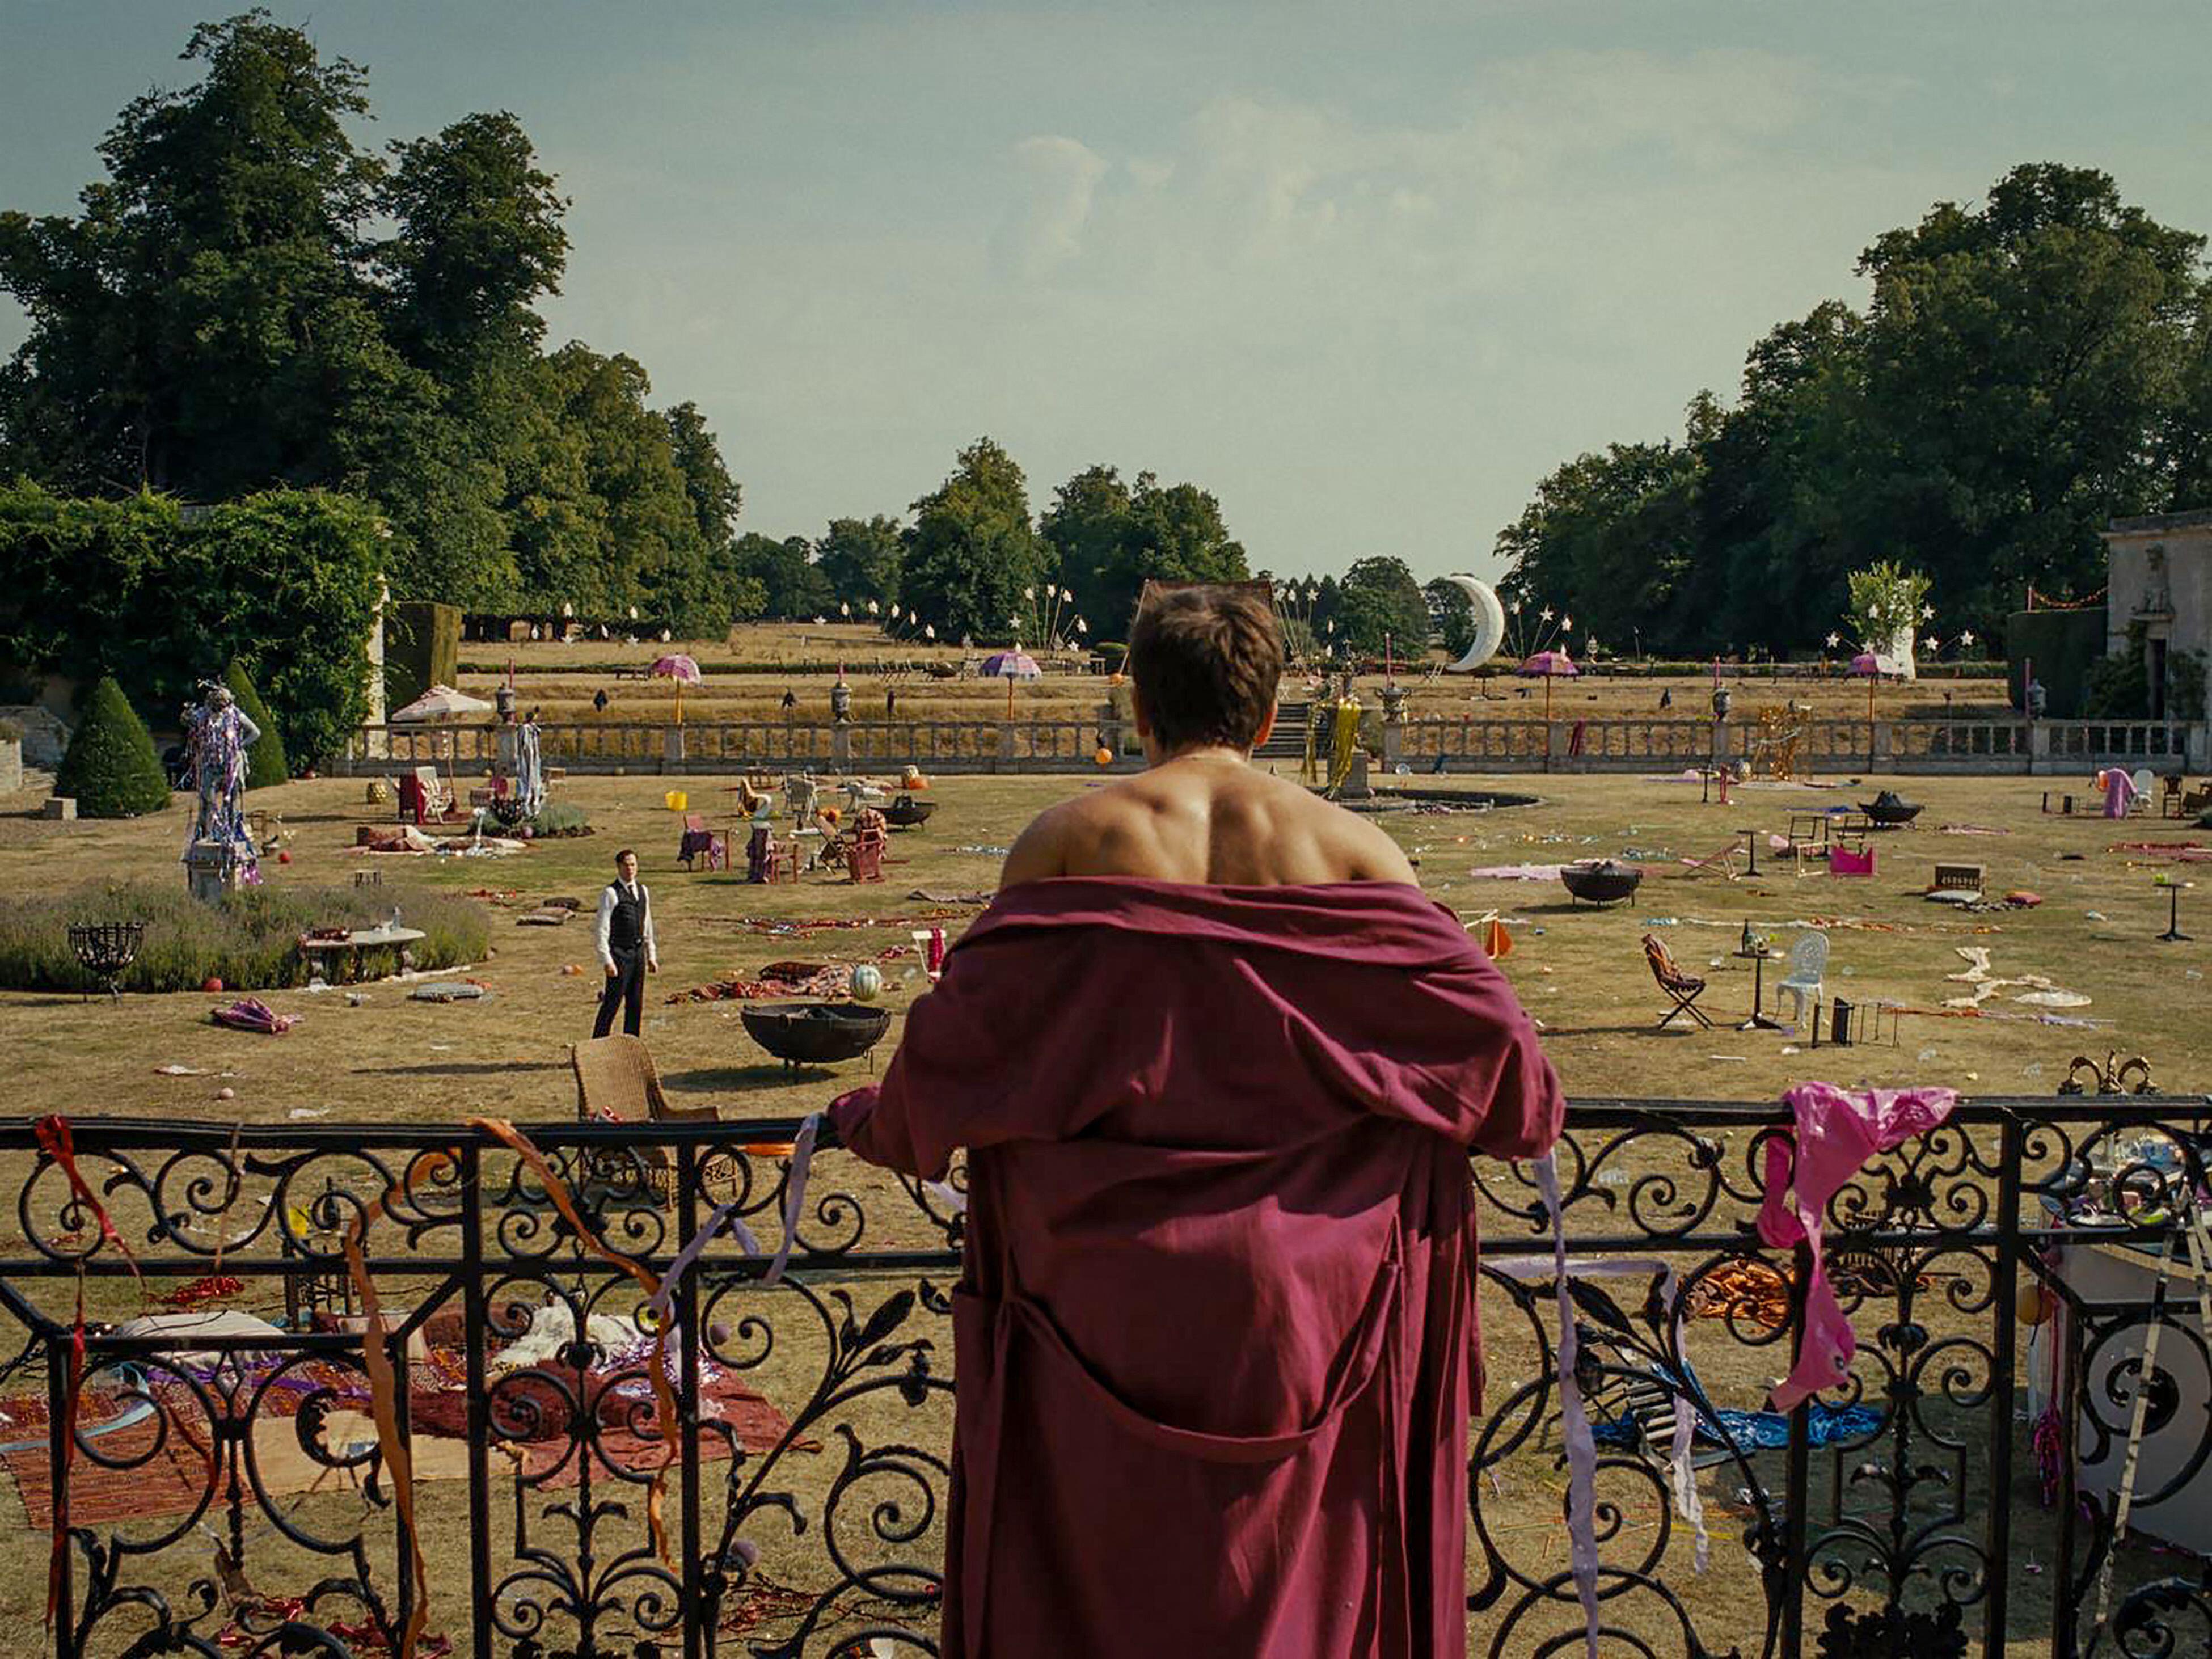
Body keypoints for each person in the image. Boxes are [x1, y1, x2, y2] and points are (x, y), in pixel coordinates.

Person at [829, 582, 1564, 1658]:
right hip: (1317, 1317)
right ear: (1271, 717)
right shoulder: (1358, 856)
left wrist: (868, 1119)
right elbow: (1512, 1087)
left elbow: (954, 1064)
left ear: (1136, 707)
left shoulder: (1069, 842)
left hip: (1094, 1300)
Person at [591, 849, 658, 1037]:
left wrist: (651, 955)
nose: (630, 869)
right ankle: (598, 1044)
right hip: (619, 955)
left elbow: (647, 925)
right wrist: (607, 960)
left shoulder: (643, 891)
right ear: (619, 867)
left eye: (633, 865)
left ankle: (631, 1045)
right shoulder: (611, 893)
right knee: (612, 1002)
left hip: (637, 954)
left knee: (635, 1003)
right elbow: (602, 929)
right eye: (626, 865)